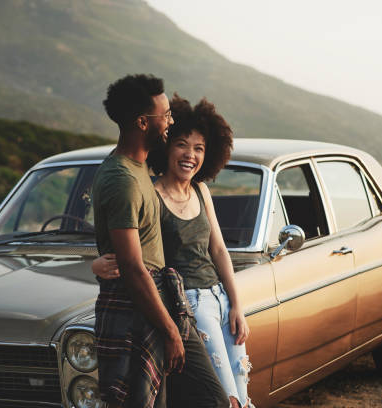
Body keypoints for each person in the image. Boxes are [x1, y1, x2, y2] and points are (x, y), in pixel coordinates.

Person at [93, 94, 254, 407]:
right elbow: (124, 246)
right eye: (182, 144)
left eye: (199, 148)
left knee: (242, 383)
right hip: (189, 304)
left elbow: (219, 250)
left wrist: (237, 305)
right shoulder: (150, 191)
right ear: (166, 146)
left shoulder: (201, 190)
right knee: (224, 396)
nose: (189, 155)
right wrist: (96, 263)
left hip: (220, 299)